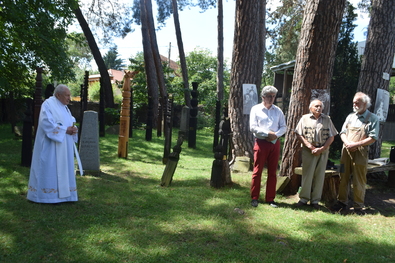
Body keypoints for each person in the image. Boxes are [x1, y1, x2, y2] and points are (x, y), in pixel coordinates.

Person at [27, 84, 81, 204]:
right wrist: (65, 130)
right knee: (50, 168)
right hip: (50, 146)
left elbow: (70, 121)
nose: (69, 98)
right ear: (58, 95)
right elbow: (46, 123)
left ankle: (65, 196)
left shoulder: (65, 108)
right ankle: (46, 196)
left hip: (64, 145)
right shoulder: (48, 104)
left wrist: (73, 129)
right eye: (67, 95)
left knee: (64, 169)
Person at [331, 92, 379, 215]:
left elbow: (373, 138)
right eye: (353, 102)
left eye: (357, 102)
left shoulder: (372, 118)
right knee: (343, 176)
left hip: (361, 153)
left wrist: (356, 145)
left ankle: (358, 206)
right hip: (345, 152)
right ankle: (342, 202)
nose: (354, 104)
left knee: (359, 179)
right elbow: (342, 132)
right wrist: (347, 143)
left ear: (365, 103)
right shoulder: (350, 117)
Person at [294, 99, 338, 209]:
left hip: (323, 151)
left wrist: (322, 148)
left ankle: (315, 201)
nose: (318, 108)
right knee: (307, 175)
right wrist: (310, 146)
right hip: (308, 151)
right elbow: (299, 134)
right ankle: (303, 199)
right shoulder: (304, 118)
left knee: (320, 175)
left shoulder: (327, 119)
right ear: (310, 108)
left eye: (320, 106)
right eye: (316, 106)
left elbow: (332, 136)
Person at [249, 85, 287, 207]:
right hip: (261, 142)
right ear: (263, 97)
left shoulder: (278, 111)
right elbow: (253, 127)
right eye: (269, 96)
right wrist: (267, 134)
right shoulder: (256, 109)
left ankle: (270, 198)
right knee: (257, 171)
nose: (271, 98)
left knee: (272, 172)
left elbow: (284, 127)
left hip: (274, 143)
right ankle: (254, 197)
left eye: (273, 96)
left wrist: (275, 135)